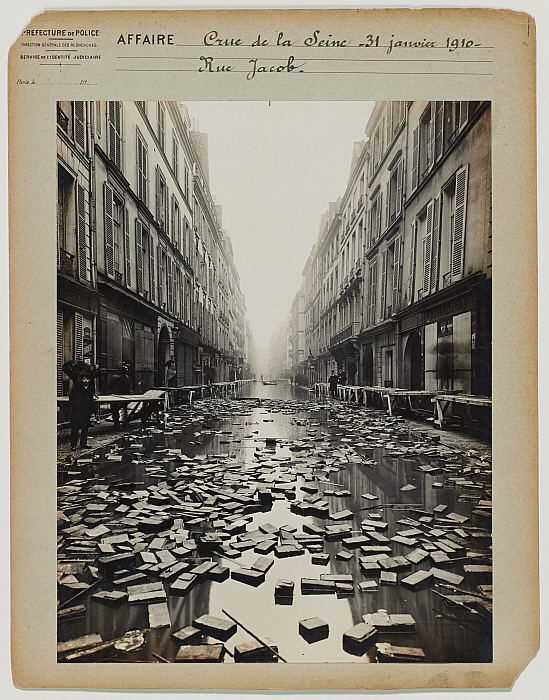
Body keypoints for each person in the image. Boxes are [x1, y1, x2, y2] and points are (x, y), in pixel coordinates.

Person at [62, 360, 98, 451]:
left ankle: (83, 444)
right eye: (84, 379)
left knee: (85, 429)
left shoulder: (89, 390)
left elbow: (91, 401)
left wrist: (93, 412)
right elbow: (72, 400)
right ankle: (73, 445)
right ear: (81, 380)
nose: (86, 381)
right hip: (77, 412)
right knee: (75, 429)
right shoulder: (77, 388)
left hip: (86, 412)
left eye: (87, 379)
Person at [108, 362, 133, 429]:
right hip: (121, 395)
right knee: (123, 409)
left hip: (116, 395)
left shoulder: (114, 377)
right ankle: (124, 423)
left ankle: (117, 423)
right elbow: (128, 387)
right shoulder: (125, 378)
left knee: (115, 410)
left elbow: (109, 386)